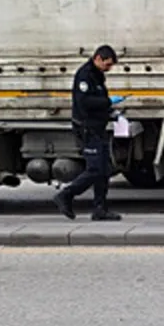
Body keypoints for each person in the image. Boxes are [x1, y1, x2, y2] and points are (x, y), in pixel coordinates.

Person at [54, 45, 125, 221]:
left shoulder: (97, 75)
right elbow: (85, 102)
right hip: (87, 128)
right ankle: (66, 195)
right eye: (107, 65)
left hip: (97, 127)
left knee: (105, 170)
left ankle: (99, 209)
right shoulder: (84, 75)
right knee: (95, 169)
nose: (109, 69)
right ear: (98, 58)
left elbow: (99, 100)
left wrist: (110, 113)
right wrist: (108, 102)